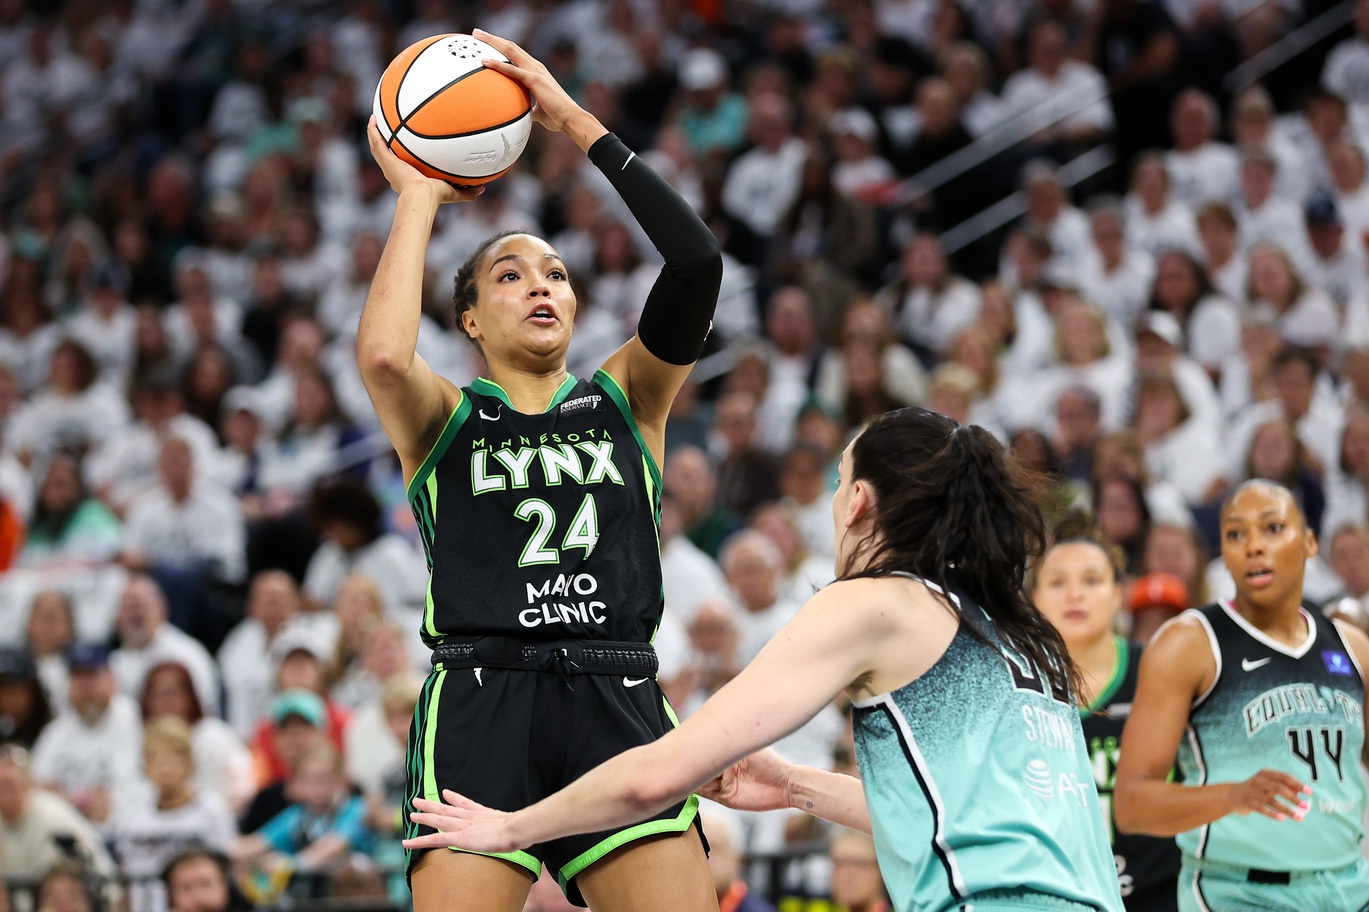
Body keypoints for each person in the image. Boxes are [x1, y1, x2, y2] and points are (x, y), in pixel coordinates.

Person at [404, 407, 1123, 912]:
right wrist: (793, 784)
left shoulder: (876, 603)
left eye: (840, 481)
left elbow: (655, 774)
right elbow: (966, 814)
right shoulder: (1017, 631)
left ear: (857, 504)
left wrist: (509, 827)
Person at [356, 28, 722, 912]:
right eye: (511, 275)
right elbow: (381, 357)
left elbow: (698, 264)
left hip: (617, 688)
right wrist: (417, 194)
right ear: (472, 320)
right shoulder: (446, 418)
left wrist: (572, 121)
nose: (540, 285)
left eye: (555, 273)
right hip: (483, 695)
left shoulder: (627, 396)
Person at [1114, 481, 1369, 912]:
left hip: (1350, 886)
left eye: (1272, 528)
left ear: (1309, 543)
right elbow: (1132, 804)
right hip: (1239, 894)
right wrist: (1231, 796)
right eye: (1236, 534)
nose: (1253, 546)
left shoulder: (1352, 646)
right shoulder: (1188, 643)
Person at [1032, 524, 1181, 911]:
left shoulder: (1158, 672)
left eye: (1091, 580)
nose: (1075, 594)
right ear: (1033, 598)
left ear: (1118, 594)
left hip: (1166, 893)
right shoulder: (1014, 685)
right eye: (1057, 582)